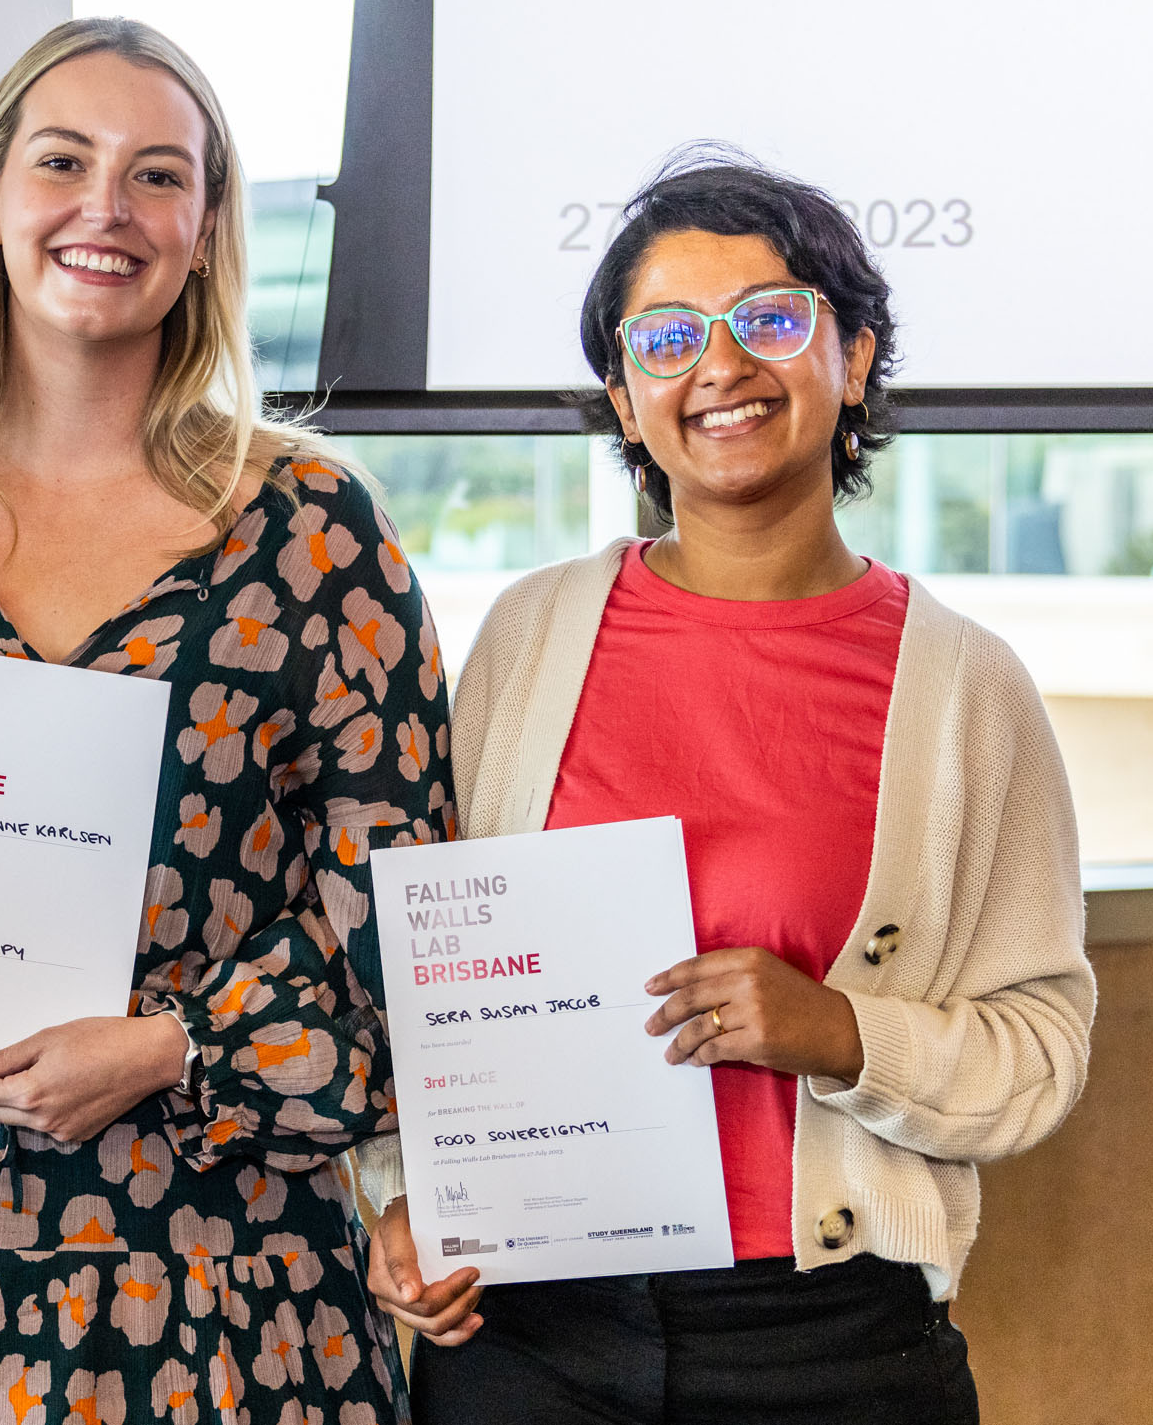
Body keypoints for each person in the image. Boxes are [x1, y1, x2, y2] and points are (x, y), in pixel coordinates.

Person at [0, 17, 452, 1425]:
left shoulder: (310, 534)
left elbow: (407, 942)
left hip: (231, 1283)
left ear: (206, 228)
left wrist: (178, 1041)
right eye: (64, 160)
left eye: (158, 175)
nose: (105, 209)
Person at [361, 154, 1096, 1423]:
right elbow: (423, 975)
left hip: (829, 1346)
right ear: (624, 398)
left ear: (854, 358)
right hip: (527, 1337)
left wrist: (837, 1031)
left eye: (771, 318)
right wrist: (399, 1199)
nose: (721, 366)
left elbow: (1040, 1052)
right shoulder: (526, 641)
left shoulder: (967, 690)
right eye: (668, 336)